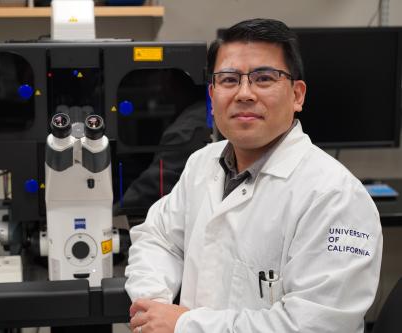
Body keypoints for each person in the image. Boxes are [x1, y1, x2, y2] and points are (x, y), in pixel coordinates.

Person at [124, 18, 382, 333]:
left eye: (263, 78)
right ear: (212, 95)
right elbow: (158, 238)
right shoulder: (201, 164)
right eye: (229, 80)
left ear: (297, 95)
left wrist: (184, 325)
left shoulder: (335, 198)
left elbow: (314, 326)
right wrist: (153, 303)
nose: (244, 93)